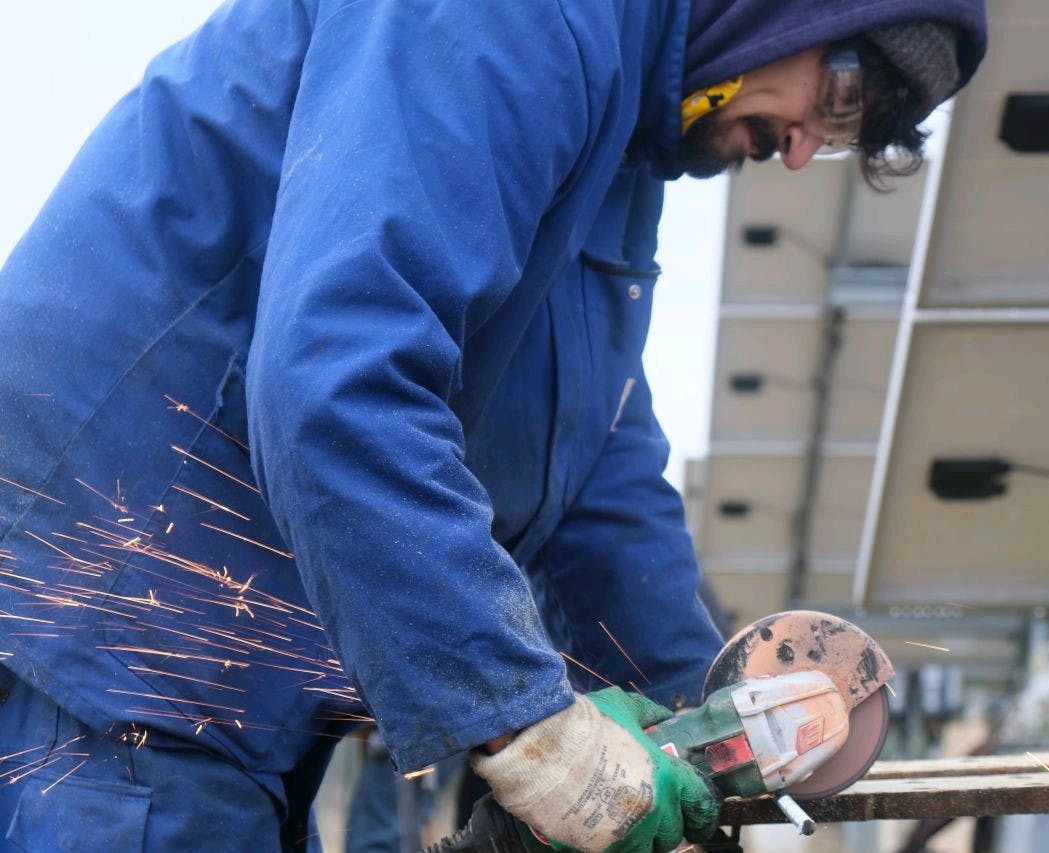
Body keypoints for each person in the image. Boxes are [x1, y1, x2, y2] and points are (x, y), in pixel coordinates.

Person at [0, 0, 985, 850]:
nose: (806, 147)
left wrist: (693, 712)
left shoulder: (615, 132)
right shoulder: (510, 20)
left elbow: (587, 447)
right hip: (114, 615)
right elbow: (339, 374)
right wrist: (523, 723)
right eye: (843, 94)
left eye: (849, 134)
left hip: (224, 661)